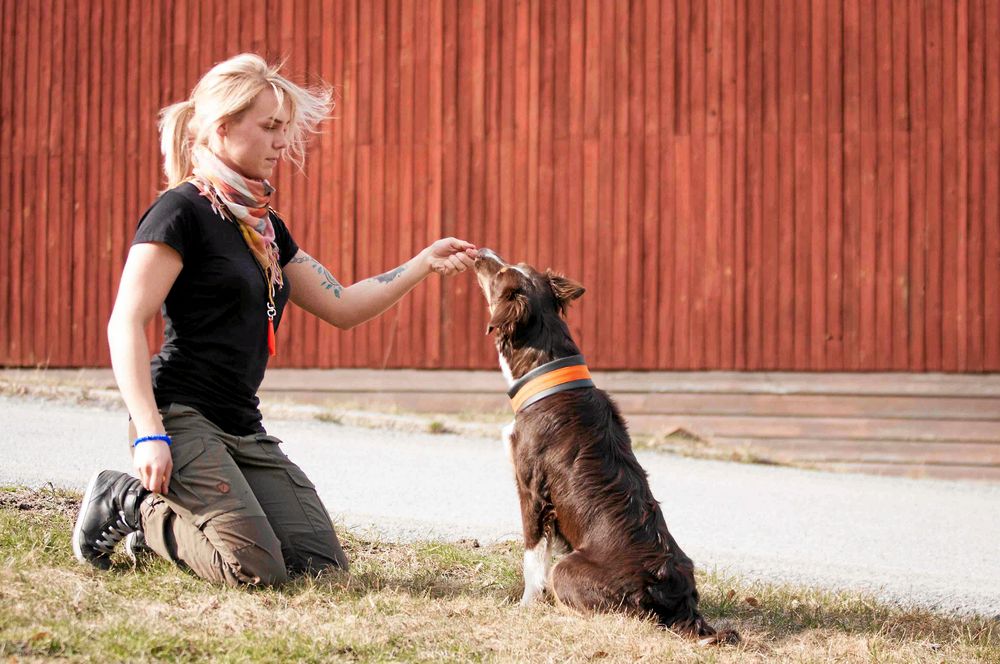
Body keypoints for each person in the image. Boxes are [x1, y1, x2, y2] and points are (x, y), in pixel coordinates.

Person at [72, 53, 478, 586]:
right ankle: (130, 505)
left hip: (241, 424)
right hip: (182, 415)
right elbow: (125, 322)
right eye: (269, 128)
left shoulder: (264, 228)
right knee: (254, 570)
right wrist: (150, 432)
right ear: (222, 128)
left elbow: (342, 306)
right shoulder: (180, 212)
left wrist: (423, 263)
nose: (282, 143)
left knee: (320, 568)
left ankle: (183, 519)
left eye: (284, 129)